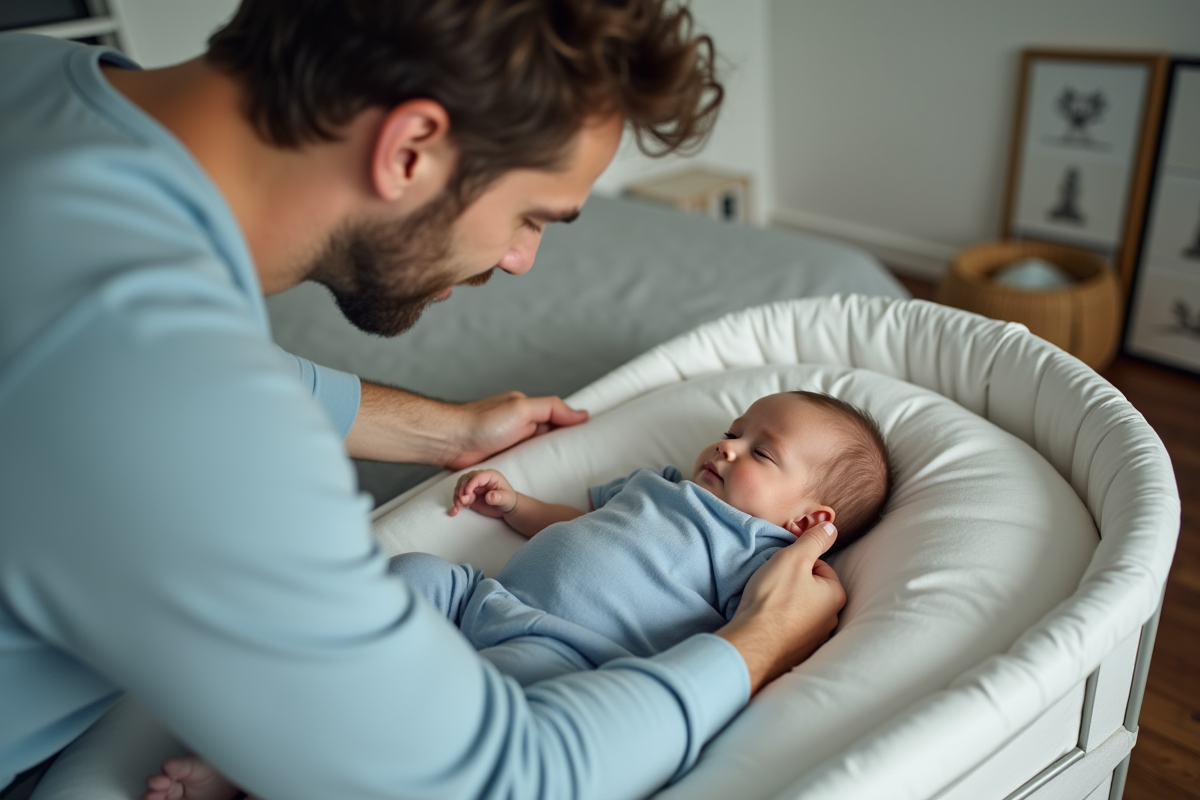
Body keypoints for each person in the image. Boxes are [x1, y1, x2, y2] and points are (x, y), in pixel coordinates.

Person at [0, 1, 848, 798]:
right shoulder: (179, 404)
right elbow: (506, 780)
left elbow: (163, 367)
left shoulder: (30, 73)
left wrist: (448, 430)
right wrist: (760, 640)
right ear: (410, 149)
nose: (520, 260)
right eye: (532, 216)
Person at [143, 391, 891, 800]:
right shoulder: (659, 485)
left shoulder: (759, 555)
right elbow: (586, 524)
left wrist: (801, 571)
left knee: (458, 722)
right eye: (733, 430)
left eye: (761, 451)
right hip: (483, 597)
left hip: (564, 654)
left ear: (808, 518)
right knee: (409, 574)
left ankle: (290, 773)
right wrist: (515, 506)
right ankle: (255, 744)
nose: (725, 447)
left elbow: (767, 633)